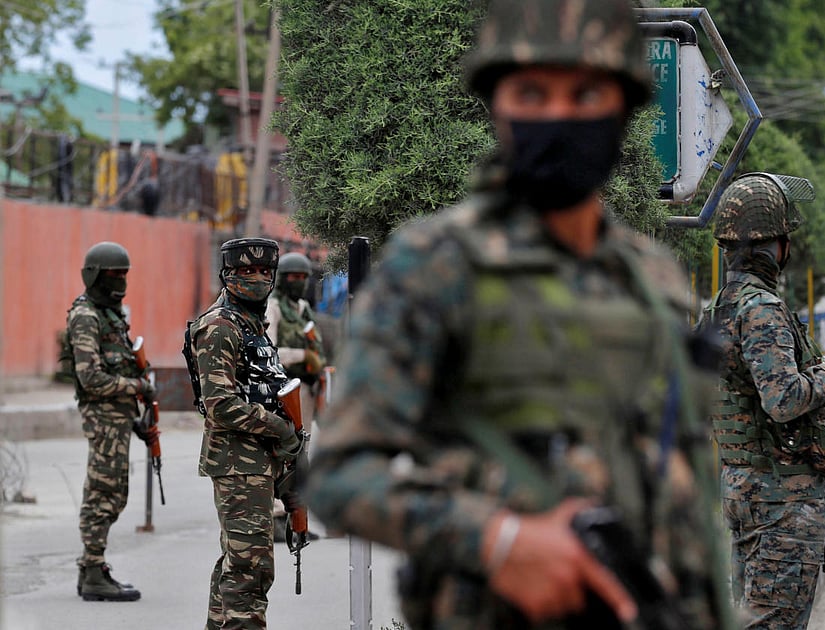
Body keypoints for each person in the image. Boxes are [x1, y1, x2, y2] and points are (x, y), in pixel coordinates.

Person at [305, 1, 735, 628]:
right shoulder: (435, 265)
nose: (559, 117)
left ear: (625, 107)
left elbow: (685, 489)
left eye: (586, 93)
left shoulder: (653, 278)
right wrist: (498, 542)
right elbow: (340, 478)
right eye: (531, 93)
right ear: (497, 107)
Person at [702, 173, 825, 628]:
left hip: (744, 492)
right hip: (781, 502)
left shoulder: (719, 308)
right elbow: (782, 399)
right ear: (776, 245)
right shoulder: (762, 309)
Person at [184, 237, 303, 629]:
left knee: (237, 567)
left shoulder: (252, 324)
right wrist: (279, 428)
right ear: (228, 274)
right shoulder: (219, 326)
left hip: (257, 462)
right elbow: (220, 404)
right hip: (238, 463)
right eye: (245, 271)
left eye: (264, 272)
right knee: (249, 572)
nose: (256, 279)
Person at [67, 241, 156, 601]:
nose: (120, 281)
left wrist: (135, 419)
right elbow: (91, 379)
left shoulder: (113, 313)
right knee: (103, 494)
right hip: (102, 419)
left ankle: (95, 567)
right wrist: (136, 385)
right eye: (113, 275)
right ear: (94, 276)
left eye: (124, 274)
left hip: (116, 419)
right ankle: (91, 570)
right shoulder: (86, 315)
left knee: (115, 492)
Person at [265, 251, 326, 423]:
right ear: (283, 279)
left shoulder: (304, 307)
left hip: (309, 387)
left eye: (303, 277)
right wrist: (304, 356)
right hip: (285, 389)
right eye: (294, 277)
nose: (300, 282)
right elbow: (270, 353)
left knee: (305, 443)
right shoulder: (273, 307)